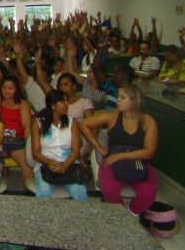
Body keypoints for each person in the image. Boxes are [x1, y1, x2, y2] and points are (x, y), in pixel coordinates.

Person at [80, 84, 158, 216]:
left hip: (137, 162)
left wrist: (119, 156)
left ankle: (130, 215)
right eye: (118, 96)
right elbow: (84, 124)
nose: (118, 100)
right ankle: (119, 217)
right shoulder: (113, 115)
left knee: (148, 194)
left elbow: (149, 152)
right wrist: (98, 146)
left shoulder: (148, 121)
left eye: (122, 97)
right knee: (110, 189)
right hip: (112, 162)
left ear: (134, 100)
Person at [0, 53, 34, 188]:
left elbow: (27, 126)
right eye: (4, 87)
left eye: (10, 88)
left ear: (16, 89)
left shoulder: (23, 104)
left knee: (26, 161)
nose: (7, 91)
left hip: (18, 143)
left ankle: (30, 188)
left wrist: (28, 147)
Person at [31, 90, 88, 201]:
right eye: (63, 101)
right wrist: (48, 162)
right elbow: (35, 152)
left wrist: (64, 166)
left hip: (69, 164)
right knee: (43, 190)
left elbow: (76, 150)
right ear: (53, 105)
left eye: (66, 101)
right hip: (45, 165)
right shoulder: (38, 123)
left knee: (79, 192)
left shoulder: (72, 122)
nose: (67, 104)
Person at [92, 40, 135, 110]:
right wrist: (100, 49)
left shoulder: (131, 94)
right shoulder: (111, 85)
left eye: (116, 74)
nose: (113, 76)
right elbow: (96, 70)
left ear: (124, 79)